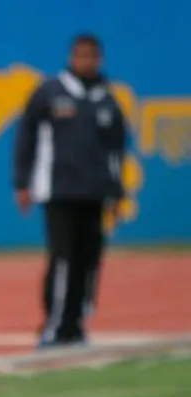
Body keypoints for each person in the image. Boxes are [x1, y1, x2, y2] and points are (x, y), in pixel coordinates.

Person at [13, 33, 128, 348]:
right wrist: (22, 182)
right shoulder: (49, 93)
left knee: (89, 260)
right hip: (59, 190)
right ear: (70, 57)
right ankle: (55, 325)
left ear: (99, 59)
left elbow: (117, 151)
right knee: (63, 258)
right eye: (81, 55)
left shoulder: (108, 99)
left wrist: (117, 193)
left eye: (92, 56)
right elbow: (26, 138)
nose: (86, 61)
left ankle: (77, 323)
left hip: (96, 192)